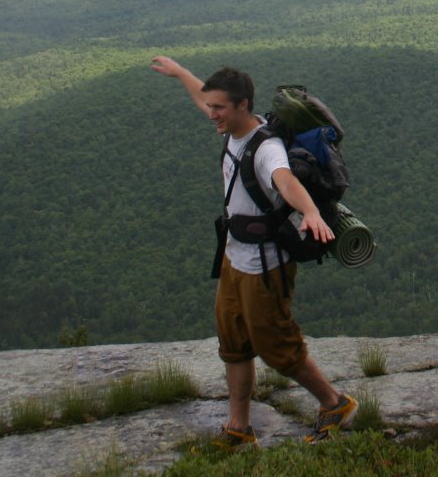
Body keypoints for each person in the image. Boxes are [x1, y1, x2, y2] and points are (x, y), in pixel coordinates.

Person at [150, 55, 357, 449]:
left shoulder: (266, 149)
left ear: (243, 105)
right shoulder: (232, 127)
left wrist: (310, 211)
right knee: (234, 343)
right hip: (234, 257)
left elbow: (285, 180)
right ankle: (239, 428)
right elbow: (202, 95)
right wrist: (180, 73)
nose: (211, 114)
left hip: (265, 266)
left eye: (219, 107)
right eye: (211, 106)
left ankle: (335, 403)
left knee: (278, 347)